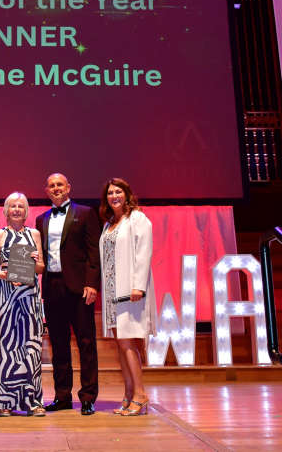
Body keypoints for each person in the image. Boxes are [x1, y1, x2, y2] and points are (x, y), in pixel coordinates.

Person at [34, 172, 101, 415]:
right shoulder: (41, 219)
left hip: (80, 288)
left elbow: (94, 253)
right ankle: (62, 396)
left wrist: (92, 283)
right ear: (46, 190)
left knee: (86, 343)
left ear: (69, 187)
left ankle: (88, 397)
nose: (56, 188)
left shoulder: (85, 213)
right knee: (58, 344)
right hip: (52, 287)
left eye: (60, 184)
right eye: (51, 185)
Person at [98, 177, 155, 416]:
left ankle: (140, 395)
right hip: (112, 295)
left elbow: (143, 253)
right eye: (110, 193)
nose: (114, 196)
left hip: (130, 293)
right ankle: (129, 392)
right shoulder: (109, 224)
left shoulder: (137, 219)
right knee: (122, 345)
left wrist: (138, 286)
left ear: (127, 194)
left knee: (130, 343)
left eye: (118, 191)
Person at [0, 192, 46, 416]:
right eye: (12, 206)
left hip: (29, 297)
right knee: (6, 348)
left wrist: (33, 263)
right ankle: (4, 402)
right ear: (5, 210)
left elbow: (41, 268)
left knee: (31, 348)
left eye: (21, 206)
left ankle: (33, 401)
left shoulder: (34, 234)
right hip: (6, 297)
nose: (16, 210)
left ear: (26, 211)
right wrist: (4, 275)